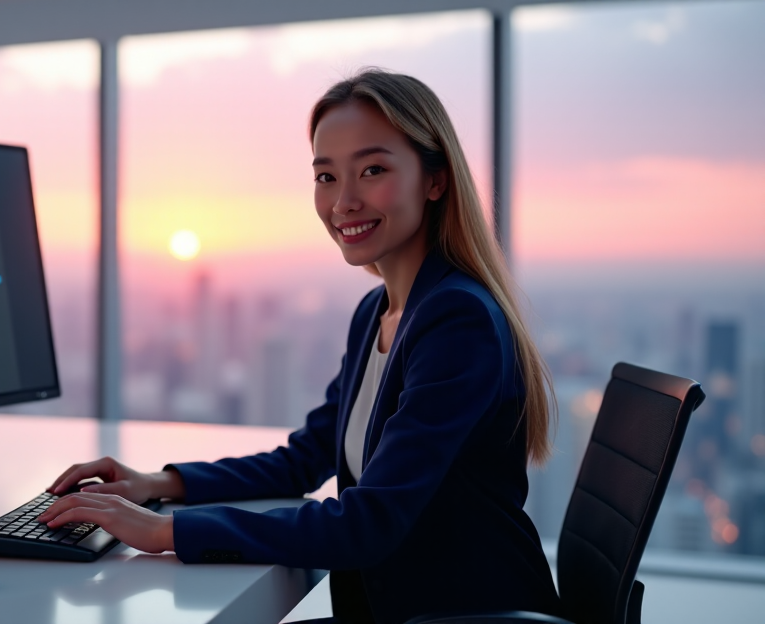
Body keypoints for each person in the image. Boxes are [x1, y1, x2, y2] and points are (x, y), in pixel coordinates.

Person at [37, 68, 564, 624]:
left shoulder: (458, 321)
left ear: (435, 180)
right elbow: (303, 460)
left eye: (373, 170)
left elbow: (369, 522)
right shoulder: (377, 314)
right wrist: (157, 484)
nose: (344, 202)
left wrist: (164, 530)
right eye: (327, 177)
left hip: (462, 615)